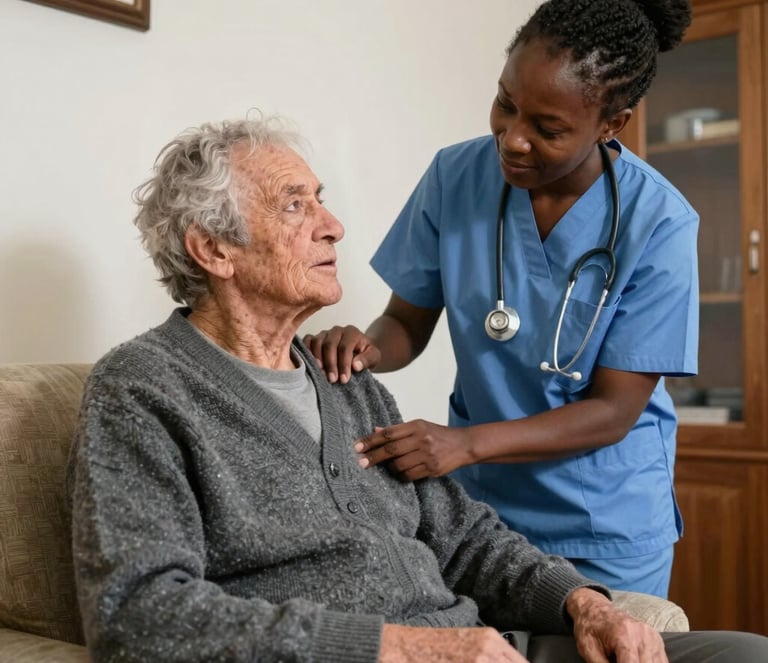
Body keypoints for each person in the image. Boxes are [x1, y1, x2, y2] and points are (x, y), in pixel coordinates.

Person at [65, 116, 768, 663]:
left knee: (746, 652)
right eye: (293, 205)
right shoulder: (142, 390)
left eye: (322, 200)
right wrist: (397, 646)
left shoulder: (343, 380)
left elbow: (463, 537)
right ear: (213, 249)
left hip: (479, 644)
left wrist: (583, 601)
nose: (332, 224)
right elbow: (138, 615)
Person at [303, 0, 698, 599]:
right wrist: (366, 349)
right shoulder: (455, 176)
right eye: (505, 105)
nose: (512, 139)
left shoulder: (659, 222)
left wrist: (463, 443)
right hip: (483, 515)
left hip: (603, 523)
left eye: (548, 128)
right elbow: (405, 323)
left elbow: (614, 410)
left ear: (611, 125)